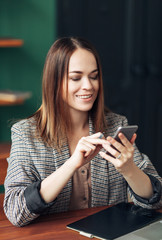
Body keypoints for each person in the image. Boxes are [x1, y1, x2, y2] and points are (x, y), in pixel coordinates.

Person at [4, 37, 162, 227]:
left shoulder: (115, 125)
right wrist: (71, 165)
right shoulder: (25, 134)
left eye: (93, 76)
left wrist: (129, 169)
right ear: (54, 82)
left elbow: (156, 199)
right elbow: (15, 212)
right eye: (76, 78)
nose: (88, 86)